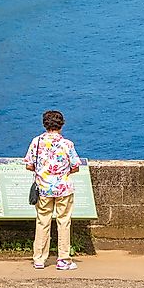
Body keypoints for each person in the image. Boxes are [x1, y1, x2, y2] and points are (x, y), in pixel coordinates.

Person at [24, 109, 83, 271]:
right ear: (61, 125)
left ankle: (39, 259)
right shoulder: (67, 144)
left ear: (45, 124)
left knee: (42, 221)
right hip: (63, 188)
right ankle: (63, 259)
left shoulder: (36, 142)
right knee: (63, 222)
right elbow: (76, 166)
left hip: (43, 188)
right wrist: (63, 172)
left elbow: (29, 165)